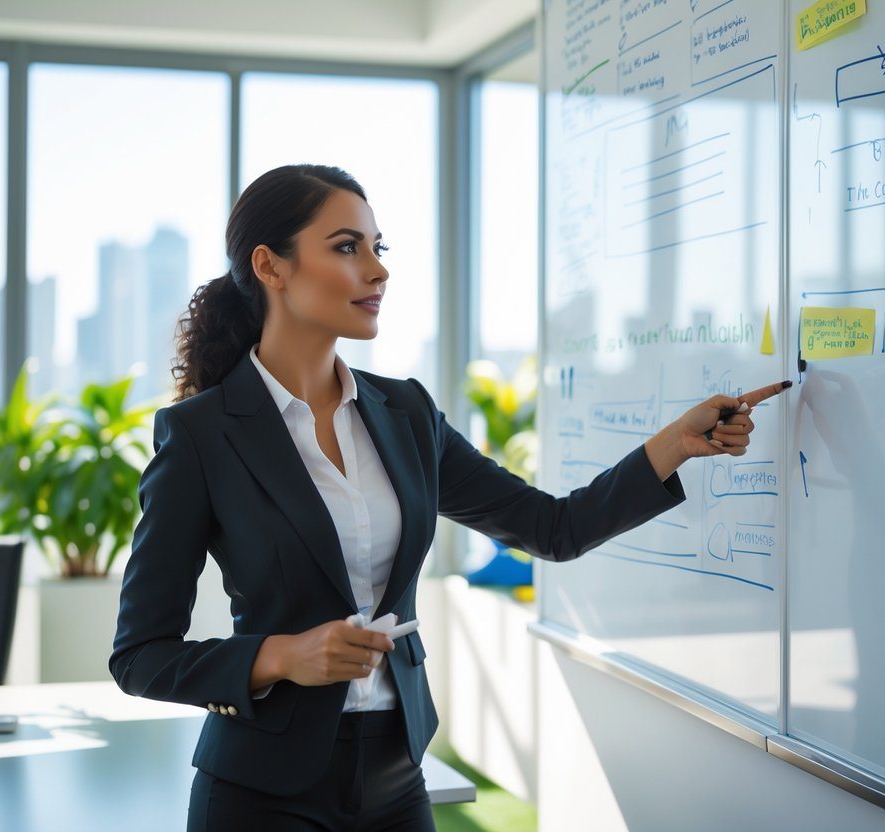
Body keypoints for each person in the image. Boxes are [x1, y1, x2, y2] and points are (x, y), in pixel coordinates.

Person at [109, 163, 790, 831]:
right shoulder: (201, 435)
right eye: (346, 247)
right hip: (259, 793)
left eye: (378, 248)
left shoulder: (405, 414)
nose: (377, 270)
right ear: (271, 266)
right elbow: (140, 655)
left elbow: (552, 527)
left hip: (395, 777)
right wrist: (281, 656)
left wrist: (672, 444)